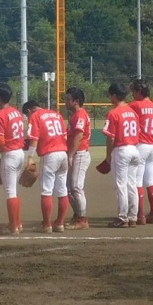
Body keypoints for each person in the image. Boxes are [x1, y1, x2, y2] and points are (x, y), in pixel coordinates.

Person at [99, 83, 142, 228]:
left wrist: (108, 155)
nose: (110, 98)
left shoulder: (114, 113)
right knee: (132, 185)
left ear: (115, 96)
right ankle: (133, 217)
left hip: (122, 150)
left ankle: (123, 217)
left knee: (121, 186)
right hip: (135, 150)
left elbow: (110, 137)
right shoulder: (133, 112)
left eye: (110, 95)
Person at [22, 99, 68, 233]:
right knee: (62, 190)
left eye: (27, 115)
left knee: (46, 191)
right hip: (63, 153)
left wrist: (30, 157)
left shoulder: (35, 116)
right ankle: (59, 223)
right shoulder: (56, 115)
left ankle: (47, 225)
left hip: (50, 155)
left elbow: (34, 139)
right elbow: (64, 136)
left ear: (29, 111)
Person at [0, 82, 26, 235]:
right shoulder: (16, 112)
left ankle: (14, 226)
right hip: (19, 153)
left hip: (10, 154)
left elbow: (1, 142)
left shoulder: (0, 115)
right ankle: (17, 223)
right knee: (14, 190)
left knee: (10, 191)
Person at [129, 80, 153, 224]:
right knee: (150, 180)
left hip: (141, 145)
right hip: (152, 146)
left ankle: (141, 215)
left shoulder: (136, 105)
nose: (132, 94)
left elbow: (123, 109)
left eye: (134, 92)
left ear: (138, 92)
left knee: (137, 181)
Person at [65, 87, 92, 230]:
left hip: (80, 154)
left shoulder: (80, 115)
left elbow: (79, 136)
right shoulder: (75, 115)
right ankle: (77, 215)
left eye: (68, 99)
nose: (65, 102)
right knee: (69, 188)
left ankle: (82, 219)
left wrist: (70, 154)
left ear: (76, 101)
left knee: (76, 186)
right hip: (76, 154)